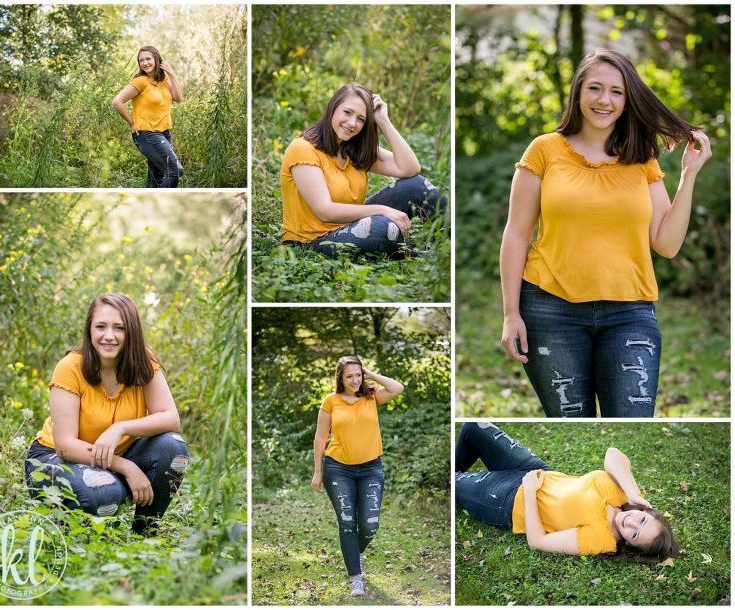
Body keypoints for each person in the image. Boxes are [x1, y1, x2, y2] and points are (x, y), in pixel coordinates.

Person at [499, 49, 712, 417]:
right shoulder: (544, 150)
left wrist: (688, 176)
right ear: (578, 93)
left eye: (616, 92)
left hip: (630, 313)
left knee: (632, 421)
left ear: (628, 100)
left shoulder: (641, 156)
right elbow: (516, 234)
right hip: (550, 311)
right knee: (570, 422)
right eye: (595, 88)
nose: (604, 100)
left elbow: (666, 243)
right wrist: (510, 313)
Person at [25, 293, 189, 535]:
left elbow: (170, 418)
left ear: (131, 331)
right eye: (100, 326)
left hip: (111, 456)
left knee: (172, 447)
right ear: (90, 330)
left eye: (119, 328)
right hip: (56, 459)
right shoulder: (69, 367)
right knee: (103, 492)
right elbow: (65, 446)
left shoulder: (142, 361)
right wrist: (126, 468)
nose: (109, 336)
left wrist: (120, 428)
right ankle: (80, 521)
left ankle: (145, 534)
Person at [455, 422, 679, 561]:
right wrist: (632, 492)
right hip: (536, 471)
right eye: (642, 520)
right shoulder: (622, 495)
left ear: (631, 545)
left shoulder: (601, 539)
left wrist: (531, 492)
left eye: (635, 534)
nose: (631, 523)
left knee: (453, 481)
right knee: (473, 428)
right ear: (646, 511)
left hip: (508, 501)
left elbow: (538, 542)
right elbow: (613, 454)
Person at [281, 83, 447, 258]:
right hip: (311, 242)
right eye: (347, 112)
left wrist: (384, 121)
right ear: (333, 108)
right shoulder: (303, 148)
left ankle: (451, 247)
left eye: (361, 119)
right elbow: (324, 211)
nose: (352, 123)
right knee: (382, 227)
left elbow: (410, 168)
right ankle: (421, 256)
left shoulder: (353, 149)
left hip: (351, 225)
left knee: (416, 186)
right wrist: (382, 210)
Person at [311, 356, 404, 596]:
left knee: (370, 524)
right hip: (338, 468)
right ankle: (356, 577)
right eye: (349, 376)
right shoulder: (330, 401)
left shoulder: (371, 396)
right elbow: (321, 437)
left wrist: (370, 374)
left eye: (358, 375)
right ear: (340, 378)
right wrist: (317, 472)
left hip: (371, 468)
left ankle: (355, 553)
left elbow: (398, 388)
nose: (354, 380)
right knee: (347, 522)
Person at [112, 46, 184, 188]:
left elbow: (178, 98)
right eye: (141, 60)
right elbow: (116, 102)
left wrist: (172, 74)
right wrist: (132, 123)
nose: (145, 63)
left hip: (164, 133)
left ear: (157, 60)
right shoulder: (140, 81)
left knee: (156, 177)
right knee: (175, 170)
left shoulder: (165, 79)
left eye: (148, 59)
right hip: (147, 134)